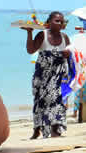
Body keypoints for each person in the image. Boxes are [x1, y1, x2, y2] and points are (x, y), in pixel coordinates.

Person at [25, 11, 72, 139]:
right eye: (57, 21)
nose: (60, 23)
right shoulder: (42, 35)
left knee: (56, 101)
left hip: (57, 77)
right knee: (40, 102)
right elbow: (30, 50)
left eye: (62, 21)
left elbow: (69, 56)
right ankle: (37, 129)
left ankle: (55, 129)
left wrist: (68, 55)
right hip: (41, 76)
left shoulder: (65, 38)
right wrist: (29, 33)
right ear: (49, 22)